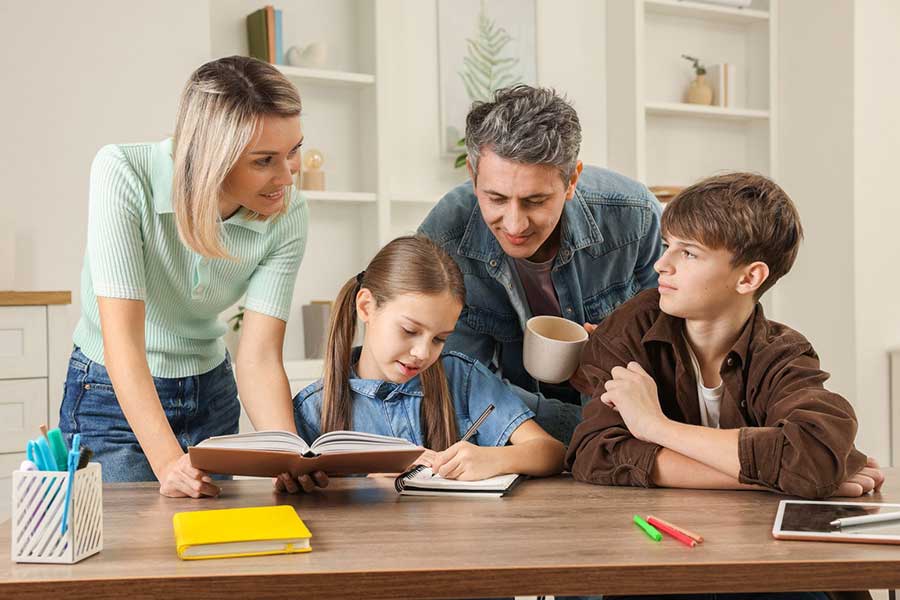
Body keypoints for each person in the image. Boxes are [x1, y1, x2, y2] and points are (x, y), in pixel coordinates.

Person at [567, 172, 884, 600]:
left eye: (689, 253)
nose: (663, 264)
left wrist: (656, 428)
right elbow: (595, 453)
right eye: (668, 245)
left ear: (749, 278)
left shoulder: (783, 351)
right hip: (661, 551)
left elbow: (813, 452)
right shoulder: (631, 328)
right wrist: (778, 477)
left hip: (767, 558)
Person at [61, 56, 312, 498]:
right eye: (264, 160)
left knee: (214, 552)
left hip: (211, 391)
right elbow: (124, 345)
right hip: (111, 395)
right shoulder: (123, 173)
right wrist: (165, 461)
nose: (287, 176)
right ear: (214, 157)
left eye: (292, 151)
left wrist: (286, 454)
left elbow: (257, 357)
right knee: (132, 556)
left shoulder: (288, 213)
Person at [419, 84, 663, 445]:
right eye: (496, 198)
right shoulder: (445, 237)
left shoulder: (633, 217)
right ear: (472, 176)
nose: (515, 225)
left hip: (623, 427)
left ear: (572, 180)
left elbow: (677, 348)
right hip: (517, 438)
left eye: (535, 201)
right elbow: (457, 383)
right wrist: (572, 431)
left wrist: (615, 354)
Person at [284, 235, 565, 494]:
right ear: (366, 307)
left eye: (440, 339)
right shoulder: (313, 409)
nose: (422, 353)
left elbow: (550, 452)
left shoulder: (463, 379)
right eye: (409, 330)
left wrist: (493, 459)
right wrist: (367, 486)